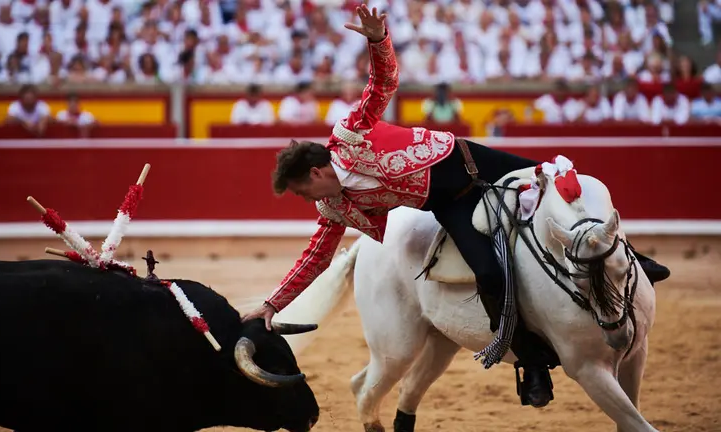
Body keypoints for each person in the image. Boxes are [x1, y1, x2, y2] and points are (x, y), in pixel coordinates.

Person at [242, 4, 670, 409]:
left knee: (564, 186)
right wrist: (273, 304)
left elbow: (383, 85)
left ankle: (631, 260)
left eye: (301, 190)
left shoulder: (350, 133)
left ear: (315, 173)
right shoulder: (336, 207)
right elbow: (316, 256)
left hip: (468, 160)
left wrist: (378, 40)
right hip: (449, 202)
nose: (306, 200)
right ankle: (532, 363)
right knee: (488, 271)